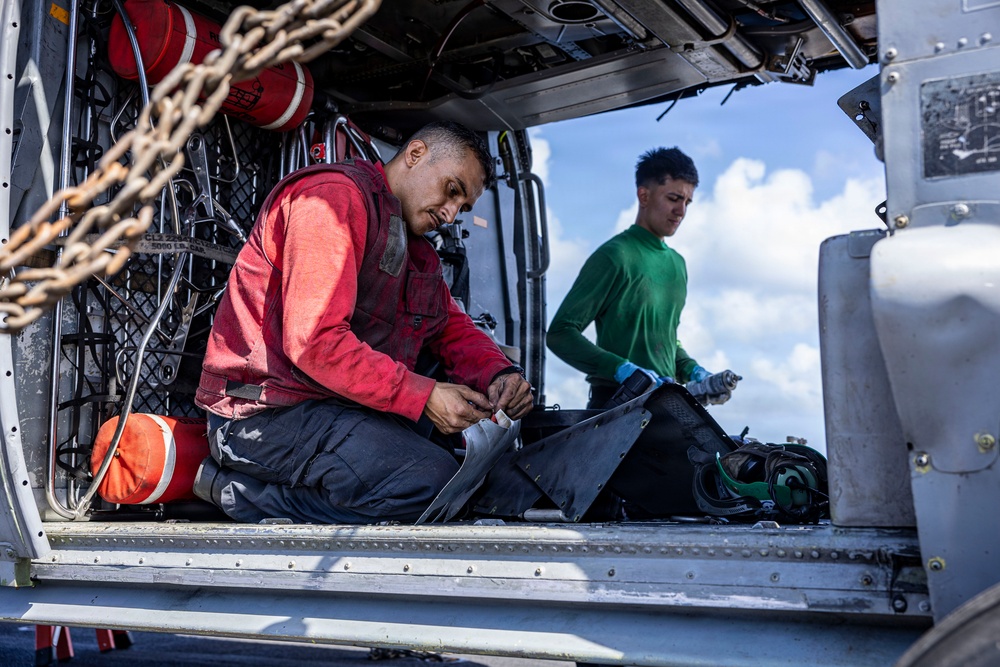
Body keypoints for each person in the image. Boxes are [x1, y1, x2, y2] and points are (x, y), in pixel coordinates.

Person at [193, 121, 533, 524]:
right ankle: (243, 495)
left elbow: (448, 327)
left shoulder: (415, 250)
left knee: (471, 478)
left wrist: (498, 373)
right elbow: (315, 342)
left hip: (331, 408)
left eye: (463, 207)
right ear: (416, 154)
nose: (450, 213)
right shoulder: (331, 200)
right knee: (429, 483)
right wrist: (423, 395)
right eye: (452, 190)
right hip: (260, 414)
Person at [547, 146, 730, 409]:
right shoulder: (614, 256)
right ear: (644, 195)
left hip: (665, 405)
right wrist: (620, 369)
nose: (681, 211)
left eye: (687, 202)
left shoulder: (678, 265)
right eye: (674, 198)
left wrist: (693, 371)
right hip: (616, 404)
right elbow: (560, 334)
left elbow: (665, 341)